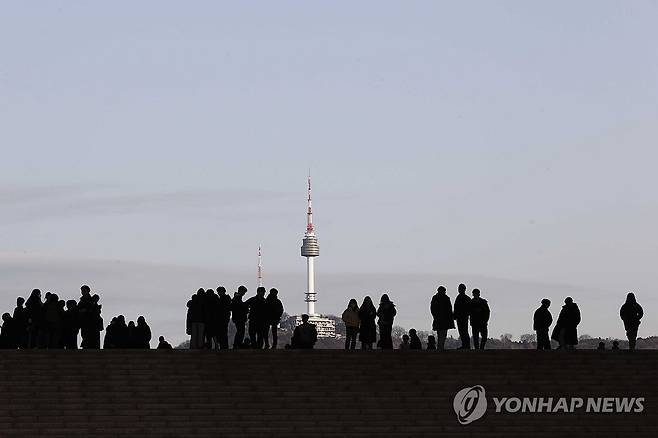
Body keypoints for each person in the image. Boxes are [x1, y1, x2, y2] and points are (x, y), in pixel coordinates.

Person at [453, 284, 471, 349]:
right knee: (464, 331)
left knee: (463, 331)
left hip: (461, 317)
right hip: (463, 317)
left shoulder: (459, 298)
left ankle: (466, 345)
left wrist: (455, 316)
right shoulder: (467, 298)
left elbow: (456, 308)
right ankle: (466, 345)